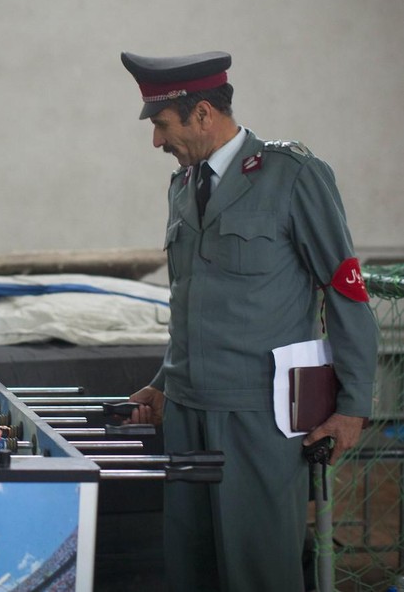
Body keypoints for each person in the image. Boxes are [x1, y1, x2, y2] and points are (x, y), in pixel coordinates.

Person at [120, 50, 378, 592]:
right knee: (192, 569)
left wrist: (353, 406)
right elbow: (193, 301)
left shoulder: (293, 177)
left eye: (162, 125)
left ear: (204, 113)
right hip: (188, 411)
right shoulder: (184, 185)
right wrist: (166, 383)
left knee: (257, 570)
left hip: (257, 413)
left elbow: (344, 290)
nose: (156, 142)